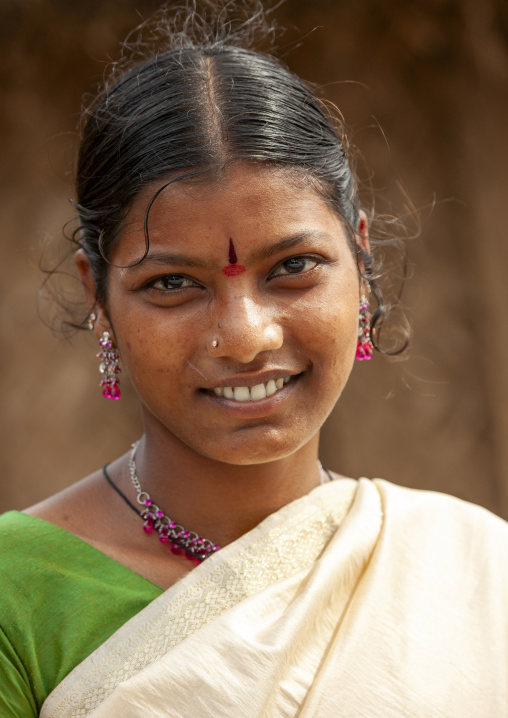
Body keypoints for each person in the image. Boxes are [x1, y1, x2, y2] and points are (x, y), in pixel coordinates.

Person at [1, 3, 507, 716]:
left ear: (360, 262)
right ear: (98, 294)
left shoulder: (474, 573)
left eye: (294, 266)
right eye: (172, 284)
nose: (245, 335)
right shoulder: (16, 592)